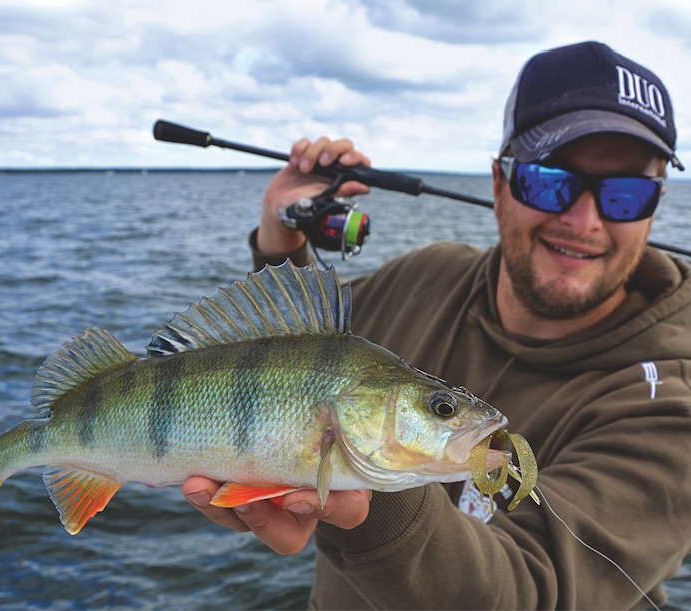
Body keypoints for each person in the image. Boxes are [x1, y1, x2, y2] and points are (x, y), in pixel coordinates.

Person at [182, 41, 691, 609]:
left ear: (656, 205)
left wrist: (360, 486)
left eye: (627, 194)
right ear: (499, 186)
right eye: (550, 182)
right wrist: (284, 241)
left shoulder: (673, 407)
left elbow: (530, 594)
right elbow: (296, 363)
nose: (584, 220)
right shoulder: (430, 273)